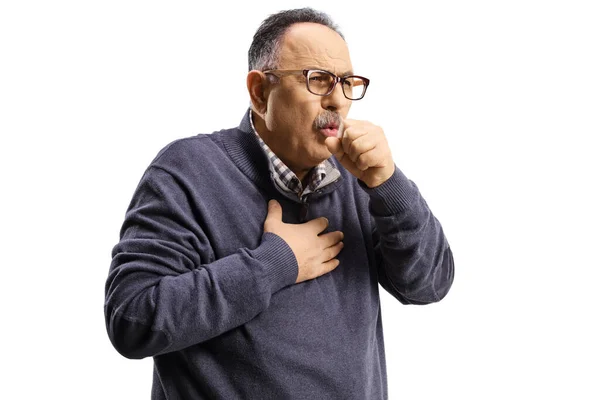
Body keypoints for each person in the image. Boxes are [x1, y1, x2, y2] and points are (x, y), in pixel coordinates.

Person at [105, 7, 454, 400]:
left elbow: (430, 285)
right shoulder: (188, 171)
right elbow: (132, 319)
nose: (338, 100)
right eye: (318, 80)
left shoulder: (360, 177)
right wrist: (274, 264)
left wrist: (389, 185)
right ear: (259, 92)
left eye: (347, 83)